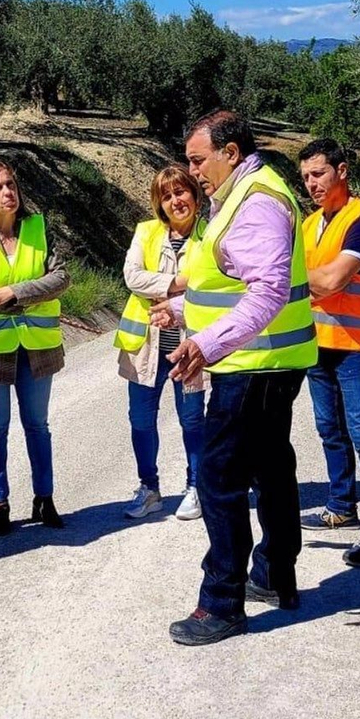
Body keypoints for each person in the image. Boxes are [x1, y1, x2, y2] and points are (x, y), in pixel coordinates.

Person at [152, 111, 318, 646]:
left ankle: (222, 603)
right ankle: (275, 575)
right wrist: (182, 311)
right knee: (271, 467)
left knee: (219, 478)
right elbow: (227, 285)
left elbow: (267, 292)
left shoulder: (257, 202)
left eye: (198, 159)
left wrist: (204, 344)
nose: (193, 170)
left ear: (231, 150)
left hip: (251, 367)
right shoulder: (243, 193)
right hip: (265, 363)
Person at [0, 157, 70, 536]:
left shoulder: (37, 228)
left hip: (37, 345)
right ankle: (0, 502)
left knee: (37, 425)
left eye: (11, 185)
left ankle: (45, 497)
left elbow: (60, 278)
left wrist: (11, 293)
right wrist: (25, 295)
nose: (9, 193)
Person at [298, 139, 360, 567]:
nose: (311, 184)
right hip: (317, 345)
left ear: (341, 171)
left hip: (357, 347)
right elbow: (309, 278)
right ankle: (341, 506)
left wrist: (296, 276)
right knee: (328, 429)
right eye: (305, 177)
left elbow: (331, 281)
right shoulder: (309, 224)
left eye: (318, 174)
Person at [115, 164, 207, 520]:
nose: (175, 201)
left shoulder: (209, 232)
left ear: (194, 195)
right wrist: (178, 283)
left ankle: (195, 486)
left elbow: (215, 279)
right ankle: (149, 488)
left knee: (192, 421)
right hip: (145, 346)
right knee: (141, 420)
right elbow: (132, 276)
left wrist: (178, 284)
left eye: (181, 192)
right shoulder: (146, 232)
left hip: (190, 343)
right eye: (166, 196)